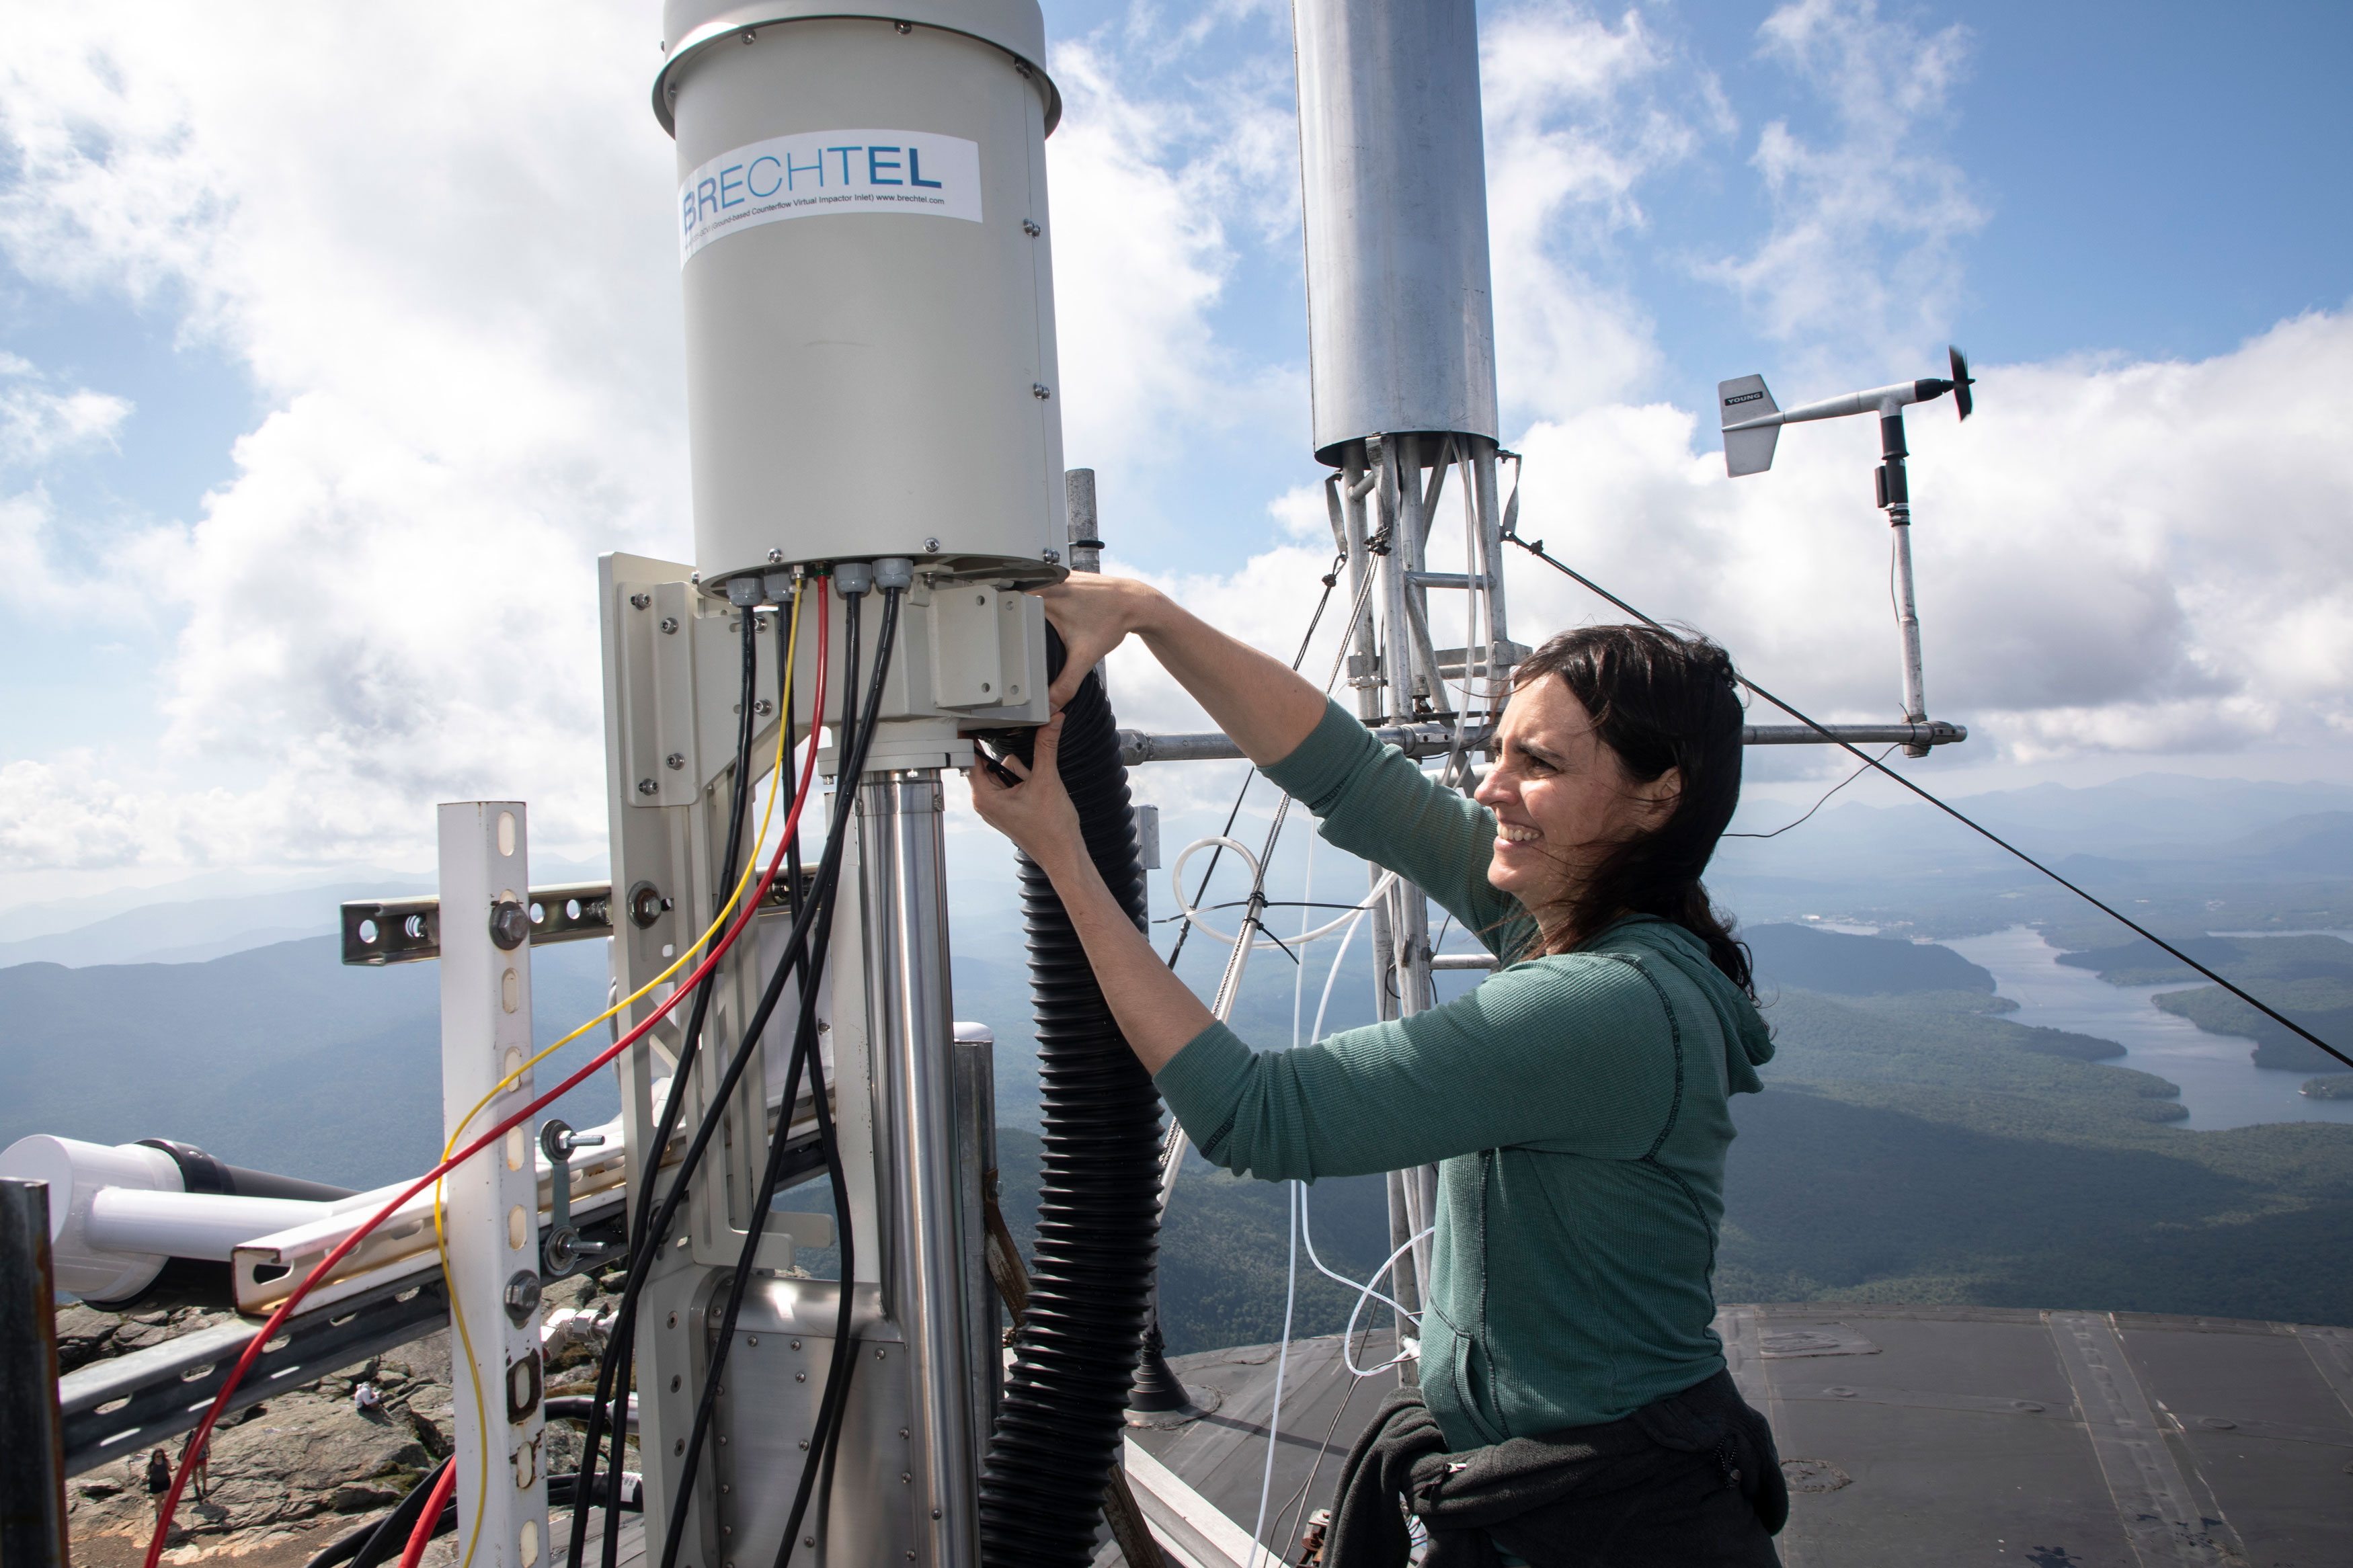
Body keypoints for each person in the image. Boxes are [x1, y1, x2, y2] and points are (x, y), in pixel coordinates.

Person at [969, 575, 1786, 1567]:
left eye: (1539, 761)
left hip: (1603, 1522)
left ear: (1658, 798)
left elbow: (1256, 1114)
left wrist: (1064, 853)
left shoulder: (1601, 1004)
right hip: (1581, 1485)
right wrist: (1148, 614)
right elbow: (1356, 781)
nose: (1491, 787)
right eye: (1498, 751)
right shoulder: (1583, 913)